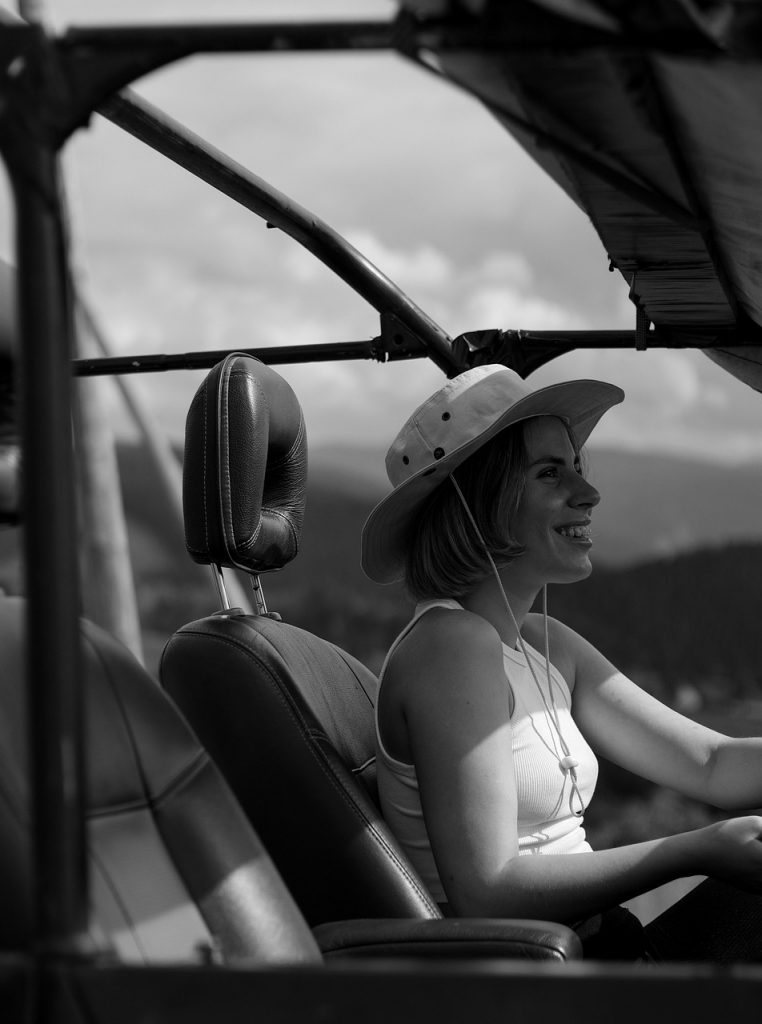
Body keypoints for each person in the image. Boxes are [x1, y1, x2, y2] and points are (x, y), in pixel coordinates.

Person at [361, 363, 762, 962]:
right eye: (551, 473)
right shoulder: (451, 645)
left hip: (602, 952)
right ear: (477, 504)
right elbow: (487, 890)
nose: (589, 493)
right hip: (555, 982)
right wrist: (697, 848)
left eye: (578, 467)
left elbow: (710, 765)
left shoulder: (548, 645)